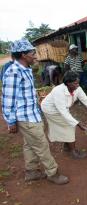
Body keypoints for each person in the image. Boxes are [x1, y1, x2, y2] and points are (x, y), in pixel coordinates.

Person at [2, 38, 68, 185]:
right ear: (24, 55)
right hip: (26, 117)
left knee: (29, 143)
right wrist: (11, 121)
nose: (35, 55)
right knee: (41, 144)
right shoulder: (14, 72)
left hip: (32, 114)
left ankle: (31, 171)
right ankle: (53, 173)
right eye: (33, 53)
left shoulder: (25, 69)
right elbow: (8, 100)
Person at [41, 71, 87, 159]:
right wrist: (78, 124)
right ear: (68, 83)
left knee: (68, 125)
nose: (78, 85)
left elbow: (86, 100)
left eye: (78, 82)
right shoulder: (58, 91)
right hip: (50, 110)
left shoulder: (77, 88)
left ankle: (67, 146)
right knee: (69, 126)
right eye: (75, 83)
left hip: (61, 109)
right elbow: (63, 112)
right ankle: (73, 152)